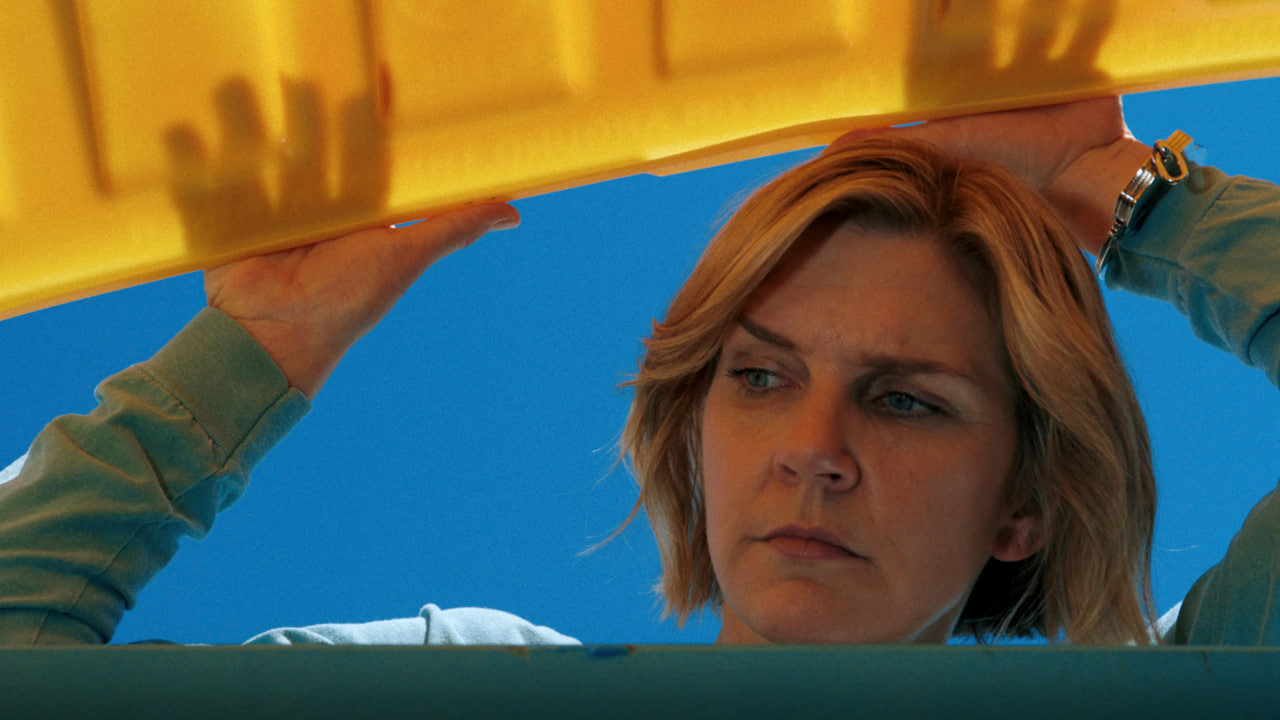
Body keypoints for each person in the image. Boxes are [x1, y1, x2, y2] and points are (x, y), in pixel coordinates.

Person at [0, 98, 1276, 646]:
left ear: (1025, 502)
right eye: (759, 378)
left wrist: (1121, 193)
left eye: (903, 401)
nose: (812, 451)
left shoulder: (1178, 694)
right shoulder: (474, 682)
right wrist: (255, 350)